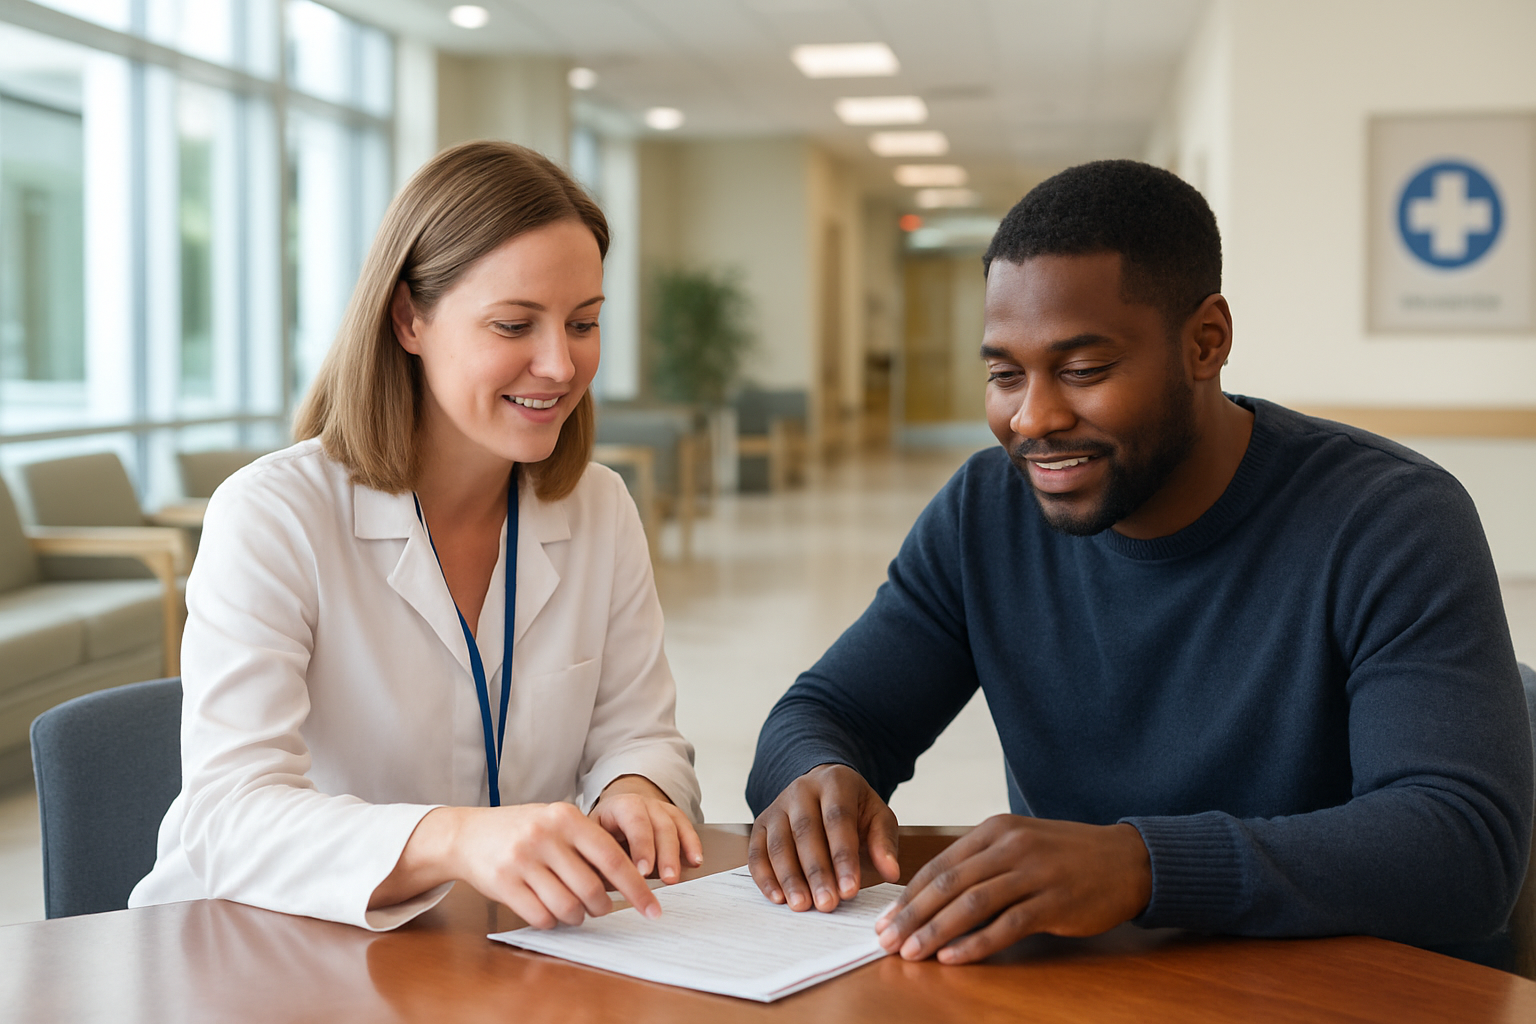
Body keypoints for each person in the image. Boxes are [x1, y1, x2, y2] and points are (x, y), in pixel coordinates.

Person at [745, 160, 1532, 969]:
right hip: (1105, 986)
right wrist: (817, 774)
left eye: (1084, 370)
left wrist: (1141, 865)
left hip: (1352, 989)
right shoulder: (987, 510)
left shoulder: (1389, 519)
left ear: (1207, 342)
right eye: (1004, 374)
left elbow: (1460, 848)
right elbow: (827, 711)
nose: (1034, 417)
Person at [131, 141, 702, 931]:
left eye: (583, 324)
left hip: (480, 948)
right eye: (514, 324)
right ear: (409, 319)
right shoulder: (273, 515)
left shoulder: (599, 508)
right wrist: (453, 839)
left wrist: (633, 788)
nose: (560, 364)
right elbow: (226, 818)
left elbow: (638, 732)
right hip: (267, 948)